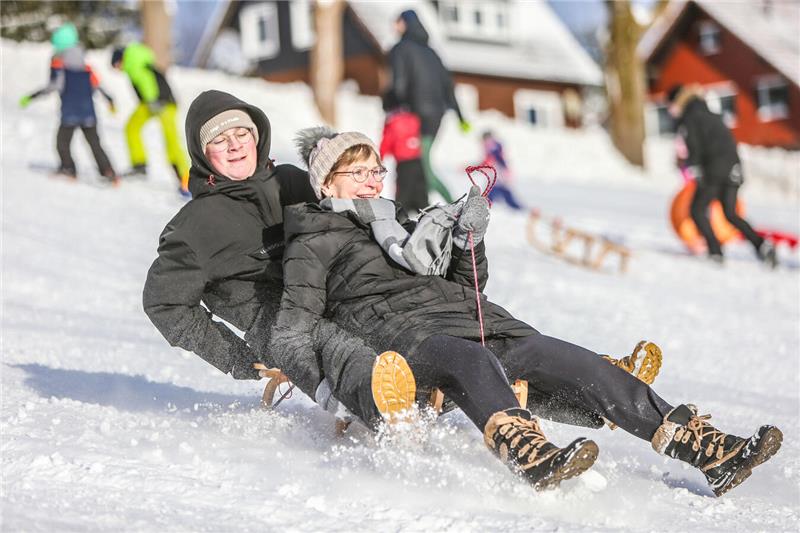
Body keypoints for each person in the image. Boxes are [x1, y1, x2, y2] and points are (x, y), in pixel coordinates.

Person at [268, 126, 783, 497]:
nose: (371, 180)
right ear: (326, 184)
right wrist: (333, 389)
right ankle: (527, 452)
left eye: (375, 169)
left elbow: (468, 289)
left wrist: (469, 239)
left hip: (472, 321)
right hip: (405, 341)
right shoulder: (313, 238)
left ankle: (699, 446)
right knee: (472, 361)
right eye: (356, 172)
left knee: (559, 354)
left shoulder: (406, 226)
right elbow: (293, 332)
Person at [142, 90, 381, 388]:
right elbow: (164, 302)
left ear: (256, 137)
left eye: (242, 133)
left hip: (341, 302)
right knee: (345, 355)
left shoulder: (290, 182)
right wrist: (234, 356)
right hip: (284, 331)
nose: (234, 145)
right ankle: (377, 395)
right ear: (202, 153)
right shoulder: (195, 226)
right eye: (219, 140)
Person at [667, 84, 777, 267]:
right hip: (733, 168)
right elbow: (729, 143)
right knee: (730, 213)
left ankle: (715, 251)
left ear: (677, 102)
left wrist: (694, 168)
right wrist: (736, 169)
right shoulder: (711, 114)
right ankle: (761, 245)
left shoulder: (690, 117)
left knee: (696, 210)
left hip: (713, 171)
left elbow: (694, 146)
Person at [386, 9, 469, 204]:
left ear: (405, 24)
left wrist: (392, 105)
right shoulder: (433, 53)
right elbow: (448, 87)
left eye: (397, 22)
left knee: (422, 167)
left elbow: (398, 84)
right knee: (419, 163)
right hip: (435, 117)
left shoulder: (401, 48)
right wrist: (461, 117)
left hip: (413, 116)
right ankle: (421, 206)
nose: (395, 27)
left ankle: (455, 206)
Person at [20, 23, 118, 184]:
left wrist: (32, 96)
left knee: (62, 142)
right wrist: (110, 101)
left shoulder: (58, 63)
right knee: (95, 143)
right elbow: (97, 86)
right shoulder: (86, 67)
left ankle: (68, 168)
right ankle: (108, 171)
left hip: (70, 112)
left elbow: (55, 85)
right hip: (88, 112)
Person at [111, 43, 190, 196]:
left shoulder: (132, 63)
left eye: (116, 66)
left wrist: (152, 99)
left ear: (119, 60)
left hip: (162, 102)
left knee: (171, 139)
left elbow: (145, 80)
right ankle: (139, 164)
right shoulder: (136, 60)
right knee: (132, 126)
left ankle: (186, 177)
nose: (119, 70)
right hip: (152, 102)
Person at [380, 91, 428, 214]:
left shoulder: (392, 122)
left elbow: (387, 142)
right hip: (417, 160)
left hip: (403, 162)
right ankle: (424, 210)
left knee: (403, 191)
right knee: (420, 189)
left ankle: (401, 213)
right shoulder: (413, 118)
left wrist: (379, 157)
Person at [481, 130, 524, 210]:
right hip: (498, 171)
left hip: (499, 171)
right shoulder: (493, 145)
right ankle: (515, 206)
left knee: (497, 189)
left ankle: (486, 204)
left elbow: (496, 157)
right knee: (501, 190)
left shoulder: (491, 145)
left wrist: (504, 168)